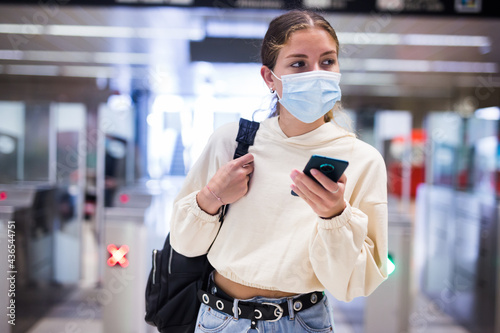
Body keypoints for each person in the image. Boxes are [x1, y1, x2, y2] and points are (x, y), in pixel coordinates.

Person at [170, 9, 388, 333]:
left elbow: (351, 285)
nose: (316, 74)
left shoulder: (361, 159)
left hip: (303, 322)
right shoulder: (232, 143)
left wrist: (335, 216)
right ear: (270, 77)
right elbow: (185, 244)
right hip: (221, 320)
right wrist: (212, 196)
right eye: (298, 63)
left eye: (327, 62)